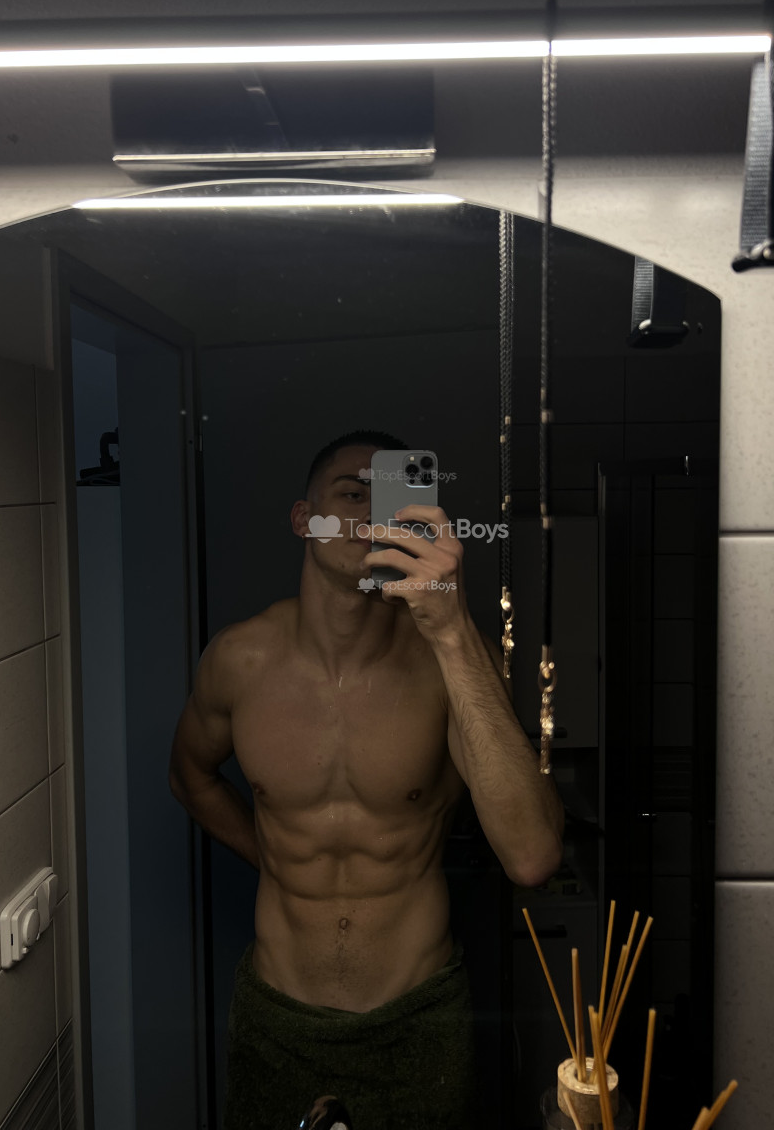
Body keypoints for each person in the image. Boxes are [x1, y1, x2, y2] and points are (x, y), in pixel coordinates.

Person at [169, 430, 565, 1130]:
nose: (372, 515)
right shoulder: (241, 661)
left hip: (416, 1019)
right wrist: (279, 862)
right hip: (277, 1019)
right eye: (353, 493)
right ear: (305, 520)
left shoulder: (452, 664)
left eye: (392, 499)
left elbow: (533, 857)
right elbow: (189, 777)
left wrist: (450, 628)